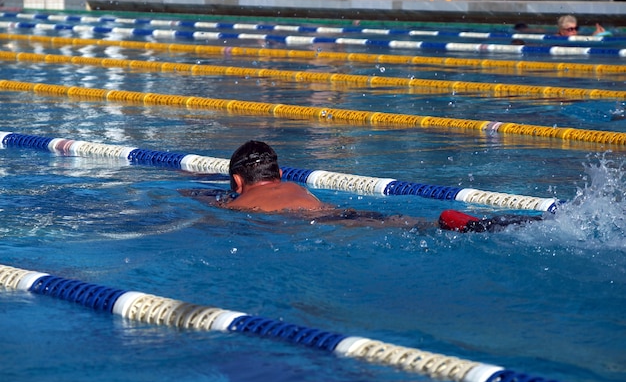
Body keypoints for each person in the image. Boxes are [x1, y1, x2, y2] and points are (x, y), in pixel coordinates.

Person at [182, 140, 541, 233]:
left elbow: (209, 209)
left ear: (238, 181)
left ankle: (455, 226)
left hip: (315, 227)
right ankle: (477, 222)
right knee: (399, 222)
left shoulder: (236, 206)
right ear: (278, 175)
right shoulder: (296, 188)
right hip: (337, 213)